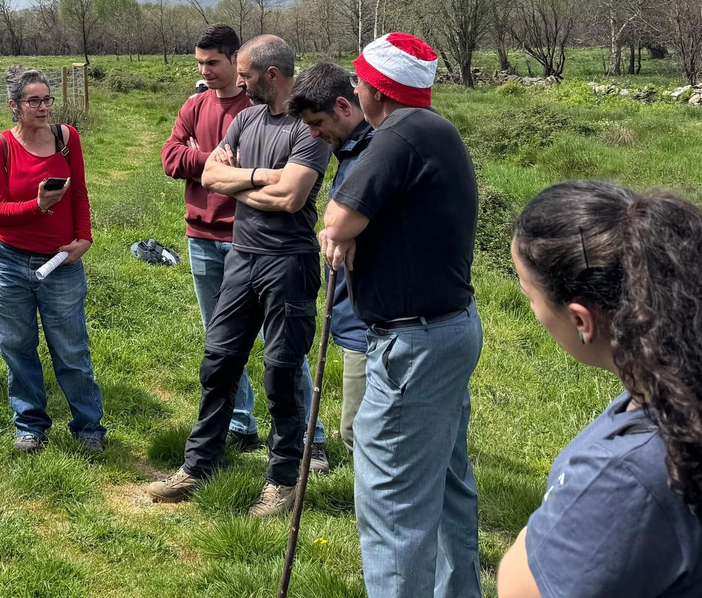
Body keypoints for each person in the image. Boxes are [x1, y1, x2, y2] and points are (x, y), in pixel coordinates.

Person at [502, 180, 702, 598]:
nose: (532, 308)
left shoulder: (624, 473)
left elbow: (520, 588)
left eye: (530, 295)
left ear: (581, 320)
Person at [318, 32, 481, 598]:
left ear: (376, 91)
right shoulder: (435, 131)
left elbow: (336, 223)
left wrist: (342, 232)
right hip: (448, 330)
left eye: (360, 80)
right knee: (447, 485)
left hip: (414, 345)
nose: (356, 89)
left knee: (392, 505)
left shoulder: (399, 133)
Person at [148, 34, 331, 517]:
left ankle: (284, 478)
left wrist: (240, 181)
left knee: (281, 371)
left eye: (246, 74)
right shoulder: (248, 119)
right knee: (219, 363)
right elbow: (209, 176)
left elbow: (291, 198)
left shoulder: (308, 127)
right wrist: (261, 177)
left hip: (288, 262)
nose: (240, 83)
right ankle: (199, 464)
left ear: (271, 74)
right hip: (241, 258)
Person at [0, 66, 102, 454]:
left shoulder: (67, 139)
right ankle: (30, 427)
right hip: (7, 262)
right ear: (15, 106)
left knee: (71, 349)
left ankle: (89, 428)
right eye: (34, 101)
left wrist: (84, 238)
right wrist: (38, 204)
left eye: (47, 99)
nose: (44, 107)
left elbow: (79, 192)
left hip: (60, 262)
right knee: (17, 347)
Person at [290, 62, 372, 453]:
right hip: (354, 315)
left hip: (369, 322)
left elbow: (339, 224)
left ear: (344, 106)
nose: (313, 134)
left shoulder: (374, 152)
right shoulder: (352, 149)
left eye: (318, 121)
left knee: (361, 434)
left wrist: (337, 231)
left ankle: (377, 512)